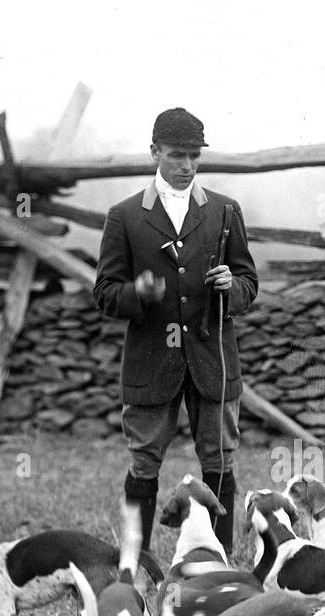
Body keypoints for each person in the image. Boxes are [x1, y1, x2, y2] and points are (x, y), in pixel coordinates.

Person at [93, 107, 258, 555]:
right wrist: (137, 293)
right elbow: (104, 293)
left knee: (220, 461)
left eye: (193, 156)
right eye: (176, 155)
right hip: (151, 362)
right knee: (144, 463)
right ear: (154, 153)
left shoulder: (225, 211)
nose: (186, 166)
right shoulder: (124, 216)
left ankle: (220, 568)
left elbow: (249, 282)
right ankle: (132, 564)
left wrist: (232, 286)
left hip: (213, 360)